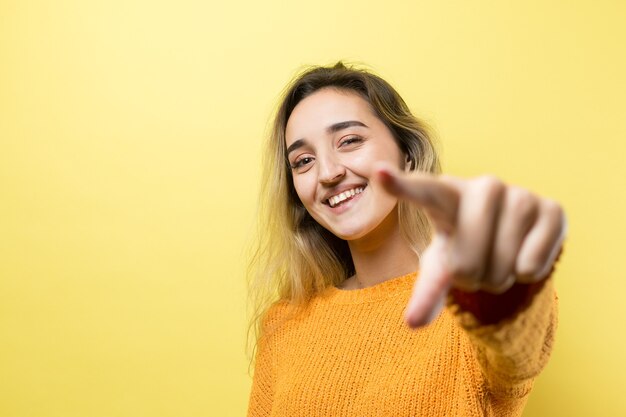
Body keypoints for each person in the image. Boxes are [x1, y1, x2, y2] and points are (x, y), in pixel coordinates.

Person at [247, 62, 565, 416]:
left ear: (408, 155)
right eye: (303, 161)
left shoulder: (474, 304)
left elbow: (520, 345)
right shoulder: (284, 323)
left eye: (350, 141)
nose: (328, 172)